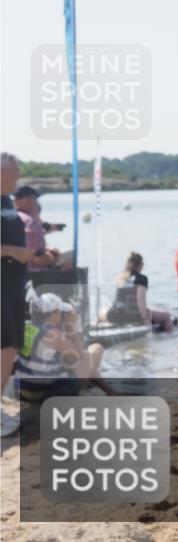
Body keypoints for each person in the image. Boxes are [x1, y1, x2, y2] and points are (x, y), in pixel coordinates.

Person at [14, 293, 110, 402]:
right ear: (52, 314)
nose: (61, 315)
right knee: (96, 350)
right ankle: (102, 392)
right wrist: (71, 327)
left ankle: (110, 391)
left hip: (23, 390)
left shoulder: (26, 327)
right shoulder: (52, 333)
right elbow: (78, 356)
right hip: (44, 394)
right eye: (59, 312)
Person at [1, 153, 31, 436]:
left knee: (10, 348)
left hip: (13, 286)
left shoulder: (7, 201)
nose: (19, 176)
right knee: (4, 348)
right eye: (15, 172)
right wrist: (11, 251)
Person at [104, 252, 176, 332]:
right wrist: (145, 319)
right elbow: (140, 301)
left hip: (115, 315)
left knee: (102, 312)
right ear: (140, 264)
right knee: (166, 316)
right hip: (133, 315)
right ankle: (173, 337)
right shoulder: (141, 278)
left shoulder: (120, 278)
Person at [13, 185, 62, 271]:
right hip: (30, 275)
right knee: (67, 264)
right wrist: (54, 257)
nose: (37, 203)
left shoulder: (9, 219)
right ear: (28, 200)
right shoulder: (30, 223)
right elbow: (39, 258)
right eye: (35, 199)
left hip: (12, 272)